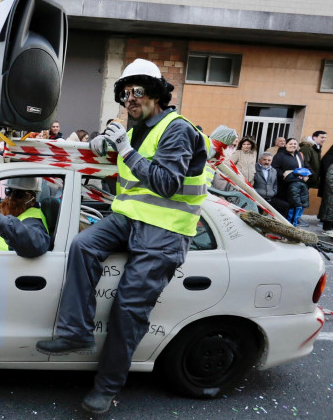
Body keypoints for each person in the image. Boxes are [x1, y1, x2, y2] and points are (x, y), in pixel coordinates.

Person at [36, 59, 208, 414]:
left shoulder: (177, 129)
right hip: (129, 219)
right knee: (83, 245)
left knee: (128, 310)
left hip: (165, 232)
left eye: (138, 90)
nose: (130, 98)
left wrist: (124, 149)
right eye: (125, 92)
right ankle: (76, 331)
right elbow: (121, 167)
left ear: (156, 92)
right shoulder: (137, 130)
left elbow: (166, 182)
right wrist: (102, 146)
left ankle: (106, 389)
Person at [272, 138, 309, 225]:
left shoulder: (299, 155)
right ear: (286, 145)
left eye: (295, 144)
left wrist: (307, 175)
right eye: (290, 144)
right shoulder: (280, 155)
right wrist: (283, 174)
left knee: (296, 206)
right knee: (286, 207)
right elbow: (274, 168)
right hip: (284, 186)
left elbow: (306, 166)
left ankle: (291, 225)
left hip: (298, 186)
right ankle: (282, 225)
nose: (293, 145)